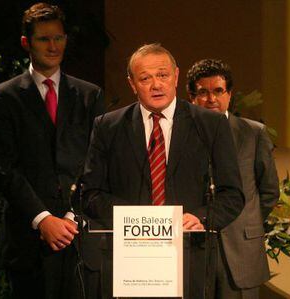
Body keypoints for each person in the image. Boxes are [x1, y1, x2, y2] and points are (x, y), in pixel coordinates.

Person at [81, 44, 244, 299]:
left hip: (188, 256)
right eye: (145, 78)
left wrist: (200, 217)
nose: (156, 84)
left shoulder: (210, 124)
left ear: (176, 77)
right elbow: (90, 194)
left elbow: (233, 194)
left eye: (163, 75)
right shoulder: (108, 127)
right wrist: (135, 221)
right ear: (132, 84)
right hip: (128, 260)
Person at [0, 3, 104, 298]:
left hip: (79, 237)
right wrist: (43, 218)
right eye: (44, 39)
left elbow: (97, 162)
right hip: (28, 241)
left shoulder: (90, 95)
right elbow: (2, 167)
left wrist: (70, 216)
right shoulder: (4, 97)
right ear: (27, 43)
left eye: (59, 38)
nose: (53, 46)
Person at [187, 59, 279, 299]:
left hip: (242, 250)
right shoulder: (180, 135)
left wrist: (247, 224)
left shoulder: (253, 133)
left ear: (229, 94)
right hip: (193, 249)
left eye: (218, 91)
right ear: (192, 97)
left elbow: (269, 192)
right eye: (203, 92)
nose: (211, 99)